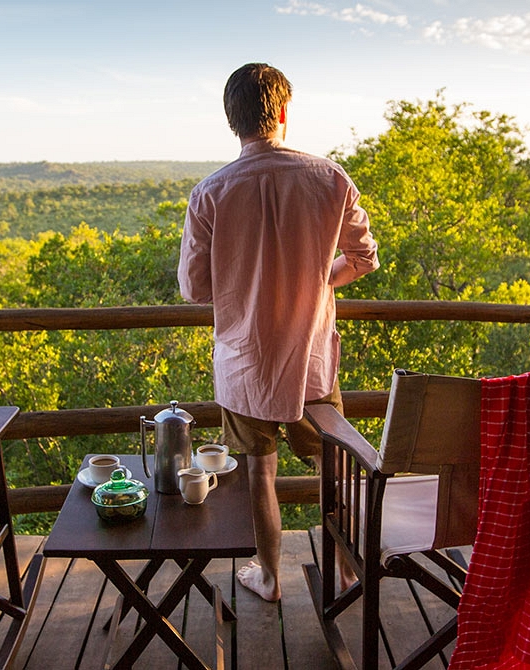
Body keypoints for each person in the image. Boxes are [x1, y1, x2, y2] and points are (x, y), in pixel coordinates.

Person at [177, 63, 379, 602]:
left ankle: (268, 579)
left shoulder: (210, 193)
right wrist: (319, 283)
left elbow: (196, 289)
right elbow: (364, 257)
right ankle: (346, 569)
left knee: (259, 473)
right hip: (311, 356)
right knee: (328, 466)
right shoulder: (331, 179)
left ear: (231, 121)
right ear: (284, 112)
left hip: (245, 363)